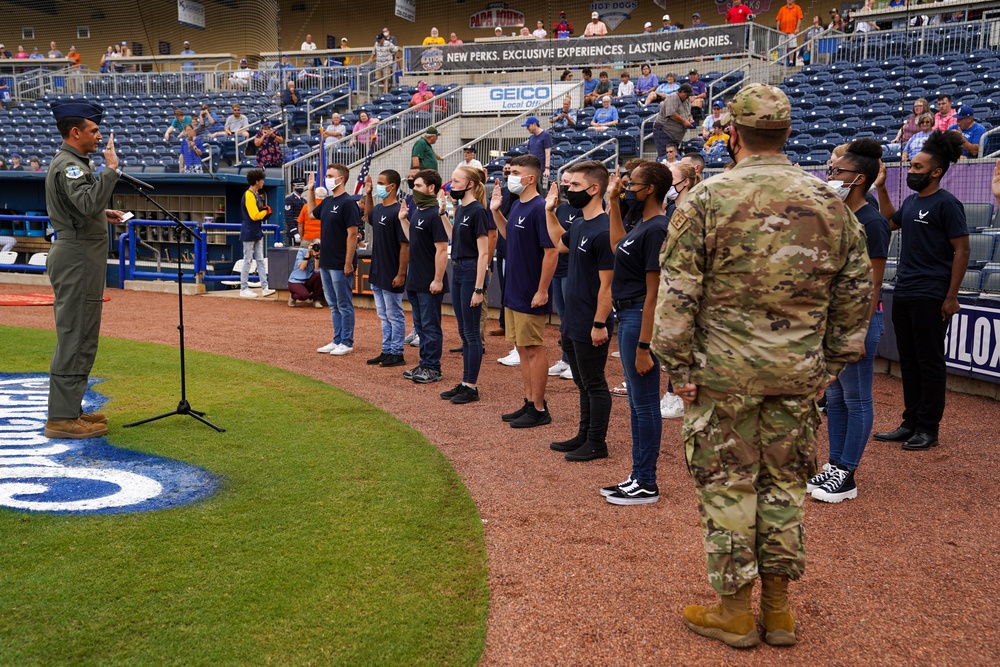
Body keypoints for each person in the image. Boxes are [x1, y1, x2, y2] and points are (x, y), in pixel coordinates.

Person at [653, 84, 872, 648]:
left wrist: (677, 365)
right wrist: (831, 361)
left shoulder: (705, 198)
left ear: (735, 134)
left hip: (723, 375)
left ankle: (734, 612)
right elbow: (856, 289)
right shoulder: (829, 201)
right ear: (788, 132)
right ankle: (778, 612)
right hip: (798, 373)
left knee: (730, 487)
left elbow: (679, 294)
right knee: (784, 487)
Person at [873, 131, 969, 451]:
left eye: (917, 167)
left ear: (936, 171)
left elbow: (963, 250)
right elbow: (889, 221)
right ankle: (910, 422)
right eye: (911, 166)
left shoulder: (948, 204)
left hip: (932, 294)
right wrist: (883, 187)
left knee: (929, 361)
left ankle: (928, 427)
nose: (911, 171)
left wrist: (951, 295)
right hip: (904, 291)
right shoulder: (913, 201)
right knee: (910, 361)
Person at [808, 138, 891, 503]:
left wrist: (856, 332)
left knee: (856, 398)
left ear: (858, 178)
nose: (832, 175)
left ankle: (848, 473)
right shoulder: (841, 214)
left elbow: (873, 283)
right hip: (832, 322)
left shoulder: (872, 222)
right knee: (838, 398)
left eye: (838, 171)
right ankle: (835, 464)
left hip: (857, 324)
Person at [41, 100, 126, 439]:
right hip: (76, 258)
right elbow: (88, 200)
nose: (99, 136)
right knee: (76, 335)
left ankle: (70, 408)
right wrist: (111, 170)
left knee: (83, 334)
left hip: (80, 255)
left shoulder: (73, 163)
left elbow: (83, 207)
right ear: (75, 132)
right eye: (94, 130)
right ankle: (61, 419)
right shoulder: (70, 166)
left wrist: (98, 215)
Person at [600, 160, 673, 503]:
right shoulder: (642, 224)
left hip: (638, 320)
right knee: (636, 403)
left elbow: (655, 294)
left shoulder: (658, 227)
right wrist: (613, 202)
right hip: (627, 317)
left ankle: (646, 481)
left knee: (644, 405)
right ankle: (638, 476)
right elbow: (618, 248)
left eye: (634, 184)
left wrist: (645, 345)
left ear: (651, 189)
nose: (629, 187)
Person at [544, 161, 615, 461]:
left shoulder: (605, 230)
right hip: (572, 319)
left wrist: (599, 323)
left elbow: (608, 286)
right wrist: (549, 211)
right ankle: (584, 434)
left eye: (574, 186)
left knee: (595, 382)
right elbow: (559, 244)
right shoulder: (581, 224)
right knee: (582, 381)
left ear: (594, 188)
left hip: (591, 322)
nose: (569, 191)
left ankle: (597, 443)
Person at [490, 154, 557, 428]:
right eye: (509, 171)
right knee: (521, 348)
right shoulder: (517, 205)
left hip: (530, 291)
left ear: (531, 178)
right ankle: (529, 402)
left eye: (515, 172)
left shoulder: (540, 208)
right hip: (514, 291)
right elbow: (511, 235)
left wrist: (542, 290)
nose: (510, 176)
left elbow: (551, 252)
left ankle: (540, 408)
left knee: (533, 349)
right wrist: (496, 212)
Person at [440, 166, 492, 403]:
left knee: (471, 334)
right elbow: (455, 239)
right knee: (463, 332)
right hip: (459, 269)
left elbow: (484, 253)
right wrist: (443, 215)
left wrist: (479, 289)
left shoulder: (478, 211)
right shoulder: (461, 209)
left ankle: (471, 386)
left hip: (471, 272)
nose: (452, 185)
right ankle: (465, 383)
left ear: (470, 184)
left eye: (456, 181)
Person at [398, 169, 449, 384]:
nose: (414, 189)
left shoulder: (435, 214)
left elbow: (441, 249)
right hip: (416, 279)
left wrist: (438, 279)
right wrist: (403, 221)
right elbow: (416, 239)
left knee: (430, 326)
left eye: (418, 186)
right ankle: (424, 363)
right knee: (420, 327)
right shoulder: (417, 211)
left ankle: (432, 367)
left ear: (431, 188)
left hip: (429, 281)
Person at [308, 164, 361, 356]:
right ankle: (337, 339)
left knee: (344, 304)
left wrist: (348, 262)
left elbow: (353, 234)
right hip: (327, 261)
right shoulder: (329, 201)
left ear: (341, 179)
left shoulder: (348, 203)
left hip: (340, 263)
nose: (327, 178)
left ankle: (346, 341)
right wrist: (311, 190)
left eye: (330, 175)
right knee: (332, 303)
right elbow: (312, 213)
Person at [363, 169, 410, 368]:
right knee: (383, 315)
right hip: (377, 271)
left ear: (392, 186)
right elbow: (368, 217)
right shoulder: (380, 209)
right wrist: (367, 193)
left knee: (394, 314)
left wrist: (401, 274)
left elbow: (405, 245)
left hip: (392, 272)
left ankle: (397, 352)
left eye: (382, 183)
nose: (379, 187)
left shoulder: (398, 211)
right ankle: (386, 350)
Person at [238, 169, 276, 299]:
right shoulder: (249, 195)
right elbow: (254, 215)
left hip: (256, 230)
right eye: (262, 180)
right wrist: (265, 212)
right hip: (249, 230)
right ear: (257, 181)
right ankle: (243, 288)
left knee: (260, 260)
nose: (263, 182)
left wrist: (264, 213)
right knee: (248, 260)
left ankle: (265, 287)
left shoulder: (255, 194)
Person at [653, 83, 694, 160]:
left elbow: (688, 113)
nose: (688, 96)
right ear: (682, 92)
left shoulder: (686, 99)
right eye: (687, 94)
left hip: (674, 135)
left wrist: (690, 119)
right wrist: (685, 122)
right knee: (666, 157)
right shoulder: (672, 97)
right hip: (663, 131)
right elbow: (671, 114)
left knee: (673, 158)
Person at [287, 241, 324, 308]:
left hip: (308, 281)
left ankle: (316, 300)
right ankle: (293, 296)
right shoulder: (302, 251)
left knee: (319, 275)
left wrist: (316, 256)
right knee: (304, 296)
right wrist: (308, 253)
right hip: (296, 281)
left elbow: (317, 270)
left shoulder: (320, 254)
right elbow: (302, 267)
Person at [524, 116, 552, 181]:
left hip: (541, 169)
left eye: (528, 126)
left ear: (534, 124)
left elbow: (547, 153)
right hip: (532, 169)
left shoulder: (545, 135)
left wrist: (547, 168)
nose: (527, 128)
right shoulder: (531, 138)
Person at [776, 0, 804, 66]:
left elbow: (799, 19)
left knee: (791, 47)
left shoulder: (797, 8)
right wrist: (777, 29)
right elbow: (778, 20)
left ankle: (791, 61)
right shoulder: (782, 9)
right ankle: (781, 61)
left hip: (792, 31)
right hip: (783, 32)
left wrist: (797, 28)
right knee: (782, 47)